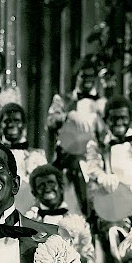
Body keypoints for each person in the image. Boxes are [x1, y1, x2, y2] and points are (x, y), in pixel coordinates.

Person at [46, 55, 105, 215]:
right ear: (76, 77)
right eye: (83, 75)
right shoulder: (63, 100)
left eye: (91, 76)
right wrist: (68, 115)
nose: (87, 80)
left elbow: (107, 135)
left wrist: (100, 116)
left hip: (94, 159)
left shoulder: (102, 103)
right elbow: (50, 122)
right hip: (68, 159)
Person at [27, 164, 96, 263]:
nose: (47, 188)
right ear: (35, 193)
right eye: (41, 185)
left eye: (51, 183)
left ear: (60, 187)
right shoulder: (29, 224)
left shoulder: (79, 223)